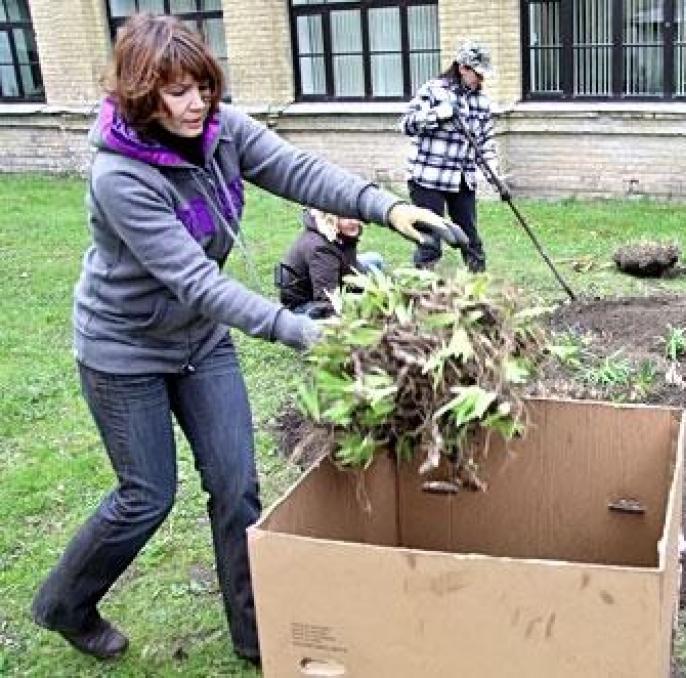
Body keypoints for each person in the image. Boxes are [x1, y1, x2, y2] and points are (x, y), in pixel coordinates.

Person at [29, 14, 466, 665]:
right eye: (177, 91)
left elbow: (298, 170)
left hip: (199, 344)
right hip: (124, 351)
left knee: (236, 487)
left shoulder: (221, 130)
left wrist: (388, 207)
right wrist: (300, 330)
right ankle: (65, 603)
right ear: (142, 94)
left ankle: (253, 633)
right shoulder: (120, 177)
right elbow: (195, 281)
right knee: (147, 495)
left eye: (203, 86)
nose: (196, 103)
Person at [401, 40, 508, 273]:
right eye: (478, 74)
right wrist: (437, 114)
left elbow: (484, 144)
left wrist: (496, 180)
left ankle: (478, 283)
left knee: (470, 238)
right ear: (462, 68)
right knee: (430, 239)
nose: (481, 79)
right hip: (428, 178)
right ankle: (423, 285)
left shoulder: (481, 102)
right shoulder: (433, 90)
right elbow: (406, 124)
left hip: (461, 179)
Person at [275, 208, 384, 318]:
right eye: (347, 217)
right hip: (306, 304)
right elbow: (328, 299)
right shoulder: (320, 249)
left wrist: (366, 286)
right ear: (330, 218)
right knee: (365, 293)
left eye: (355, 216)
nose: (355, 221)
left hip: (335, 277)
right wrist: (364, 293)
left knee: (375, 260)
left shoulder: (337, 231)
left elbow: (351, 263)